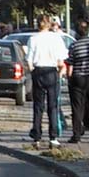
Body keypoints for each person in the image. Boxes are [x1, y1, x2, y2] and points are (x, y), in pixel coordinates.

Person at [28, 16, 69, 149]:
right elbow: (62, 60)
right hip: (52, 72)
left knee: (38, 106)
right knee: (53, 106)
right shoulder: (56, 38)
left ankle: (37, 137)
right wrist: (60, 73)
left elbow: (29, 60)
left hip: (38, 71)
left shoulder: (33, 39)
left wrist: (32, 72)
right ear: (50, 25)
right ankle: (53, 137)